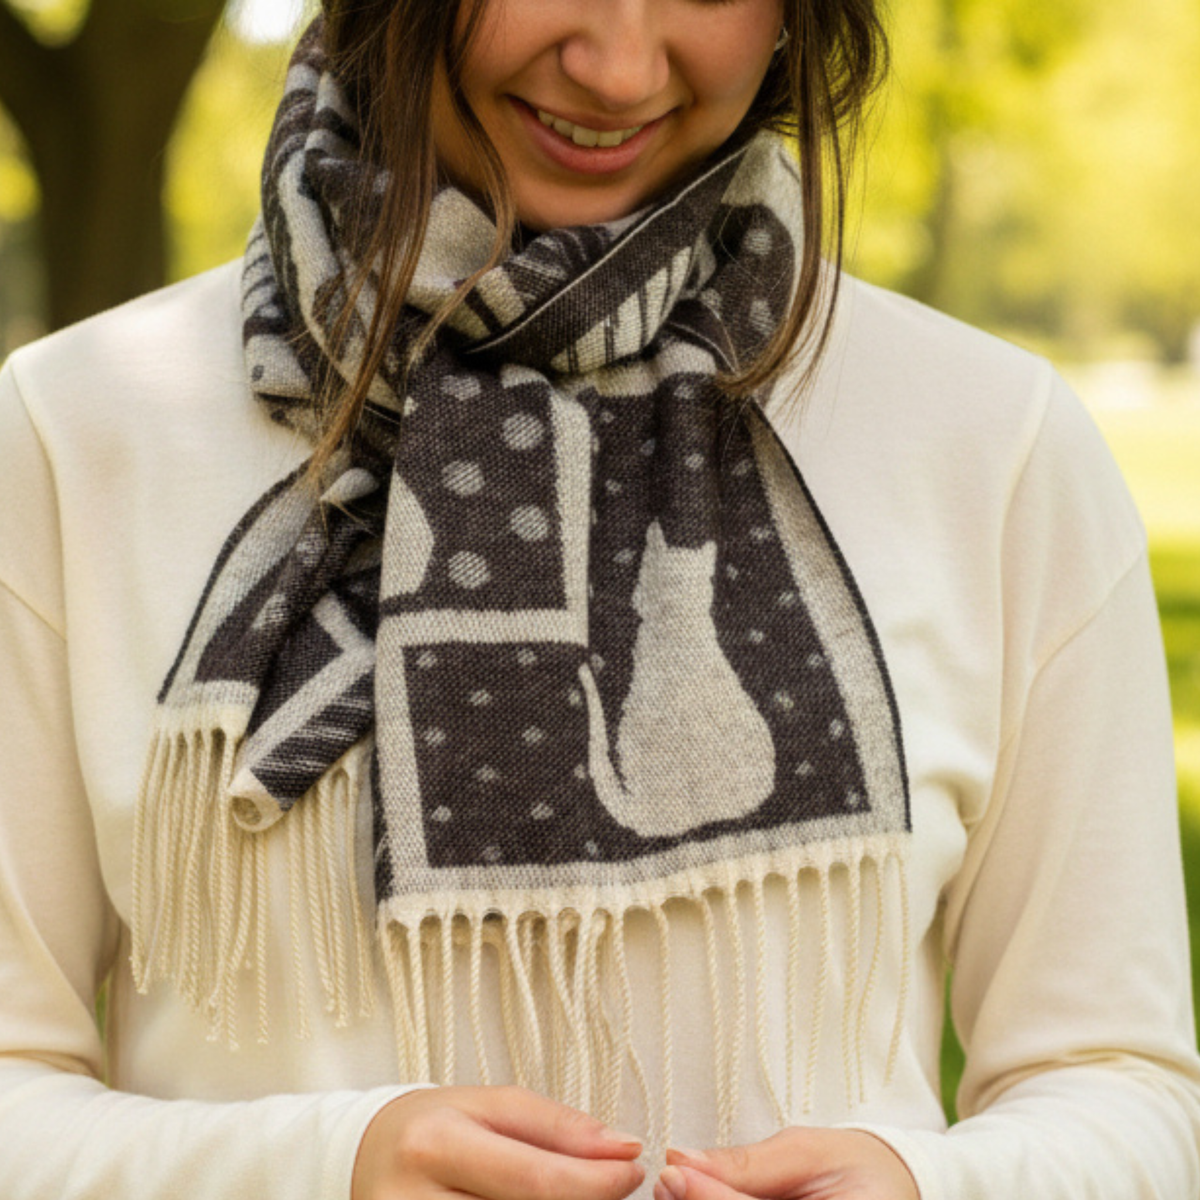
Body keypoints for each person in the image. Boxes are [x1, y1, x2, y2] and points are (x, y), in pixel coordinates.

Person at [1, 1, 1197, 1198]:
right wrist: (318, 1175)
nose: (619, 70)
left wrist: (925, 1190)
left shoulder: (993, 444)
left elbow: (1125, 1092)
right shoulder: (71, 436)